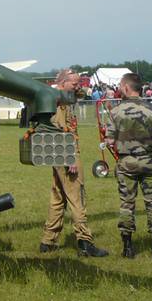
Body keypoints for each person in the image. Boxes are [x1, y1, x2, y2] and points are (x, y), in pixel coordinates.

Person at [40, 68, 109, 257]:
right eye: (74, 83)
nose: (78, 86)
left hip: (57, 153)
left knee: (58, 197)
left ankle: (48, 241)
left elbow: (80, 92)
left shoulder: (62, 96)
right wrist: (70, 156)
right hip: (66, 152)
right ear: (62, 83)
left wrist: (71, 81)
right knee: (76, 197)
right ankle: (85, 243)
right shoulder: (60, 102)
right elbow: (61, 130)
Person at [104, 73, 152, 259]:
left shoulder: (116, 112)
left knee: (127, 204)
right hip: (149, 162)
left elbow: (109, 140)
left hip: (126, 163)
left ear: (125, 87)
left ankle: (128, 247)